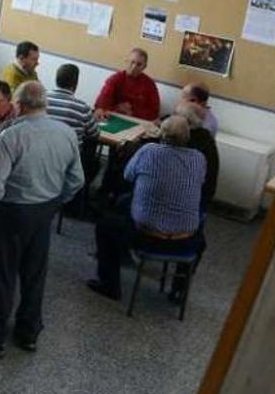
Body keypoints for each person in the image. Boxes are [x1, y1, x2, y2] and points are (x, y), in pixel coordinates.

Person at [0, 82, 83, 358]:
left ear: (19, 105)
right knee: (34, 273)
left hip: (12, 212)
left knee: (1, 274)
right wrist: (55, 202)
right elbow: (77, 180)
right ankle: (28, 333)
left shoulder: (11, 137)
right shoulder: (66, 133)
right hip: (45, 210)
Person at [87, 116, 205, 302]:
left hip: (146, 236)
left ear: (162, 135)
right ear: (187, 137)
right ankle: (179, 291)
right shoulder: (199, 159)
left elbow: (128, 176)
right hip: (186, 240)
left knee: (106, 223)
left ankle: (109, 284)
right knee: (202, 241)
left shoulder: (149, 151)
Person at [46, 64, 101, 218]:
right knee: (94, 162)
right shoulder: (82, 108)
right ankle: (73, 204)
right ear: (75, 84)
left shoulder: (40, 99)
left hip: (39, 156)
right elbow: (94, 134)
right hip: (66, 162)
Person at [95, 48, 160, 121]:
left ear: (144, 67)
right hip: (114, 118)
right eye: (132, 62)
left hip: (137, 121)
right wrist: (117, 108)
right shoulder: (115, 79)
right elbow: (101, 103)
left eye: (139, 64)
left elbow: (154, 112)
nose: (134, 67)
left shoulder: (150, 84)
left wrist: (132, 111)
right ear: (126, 61)